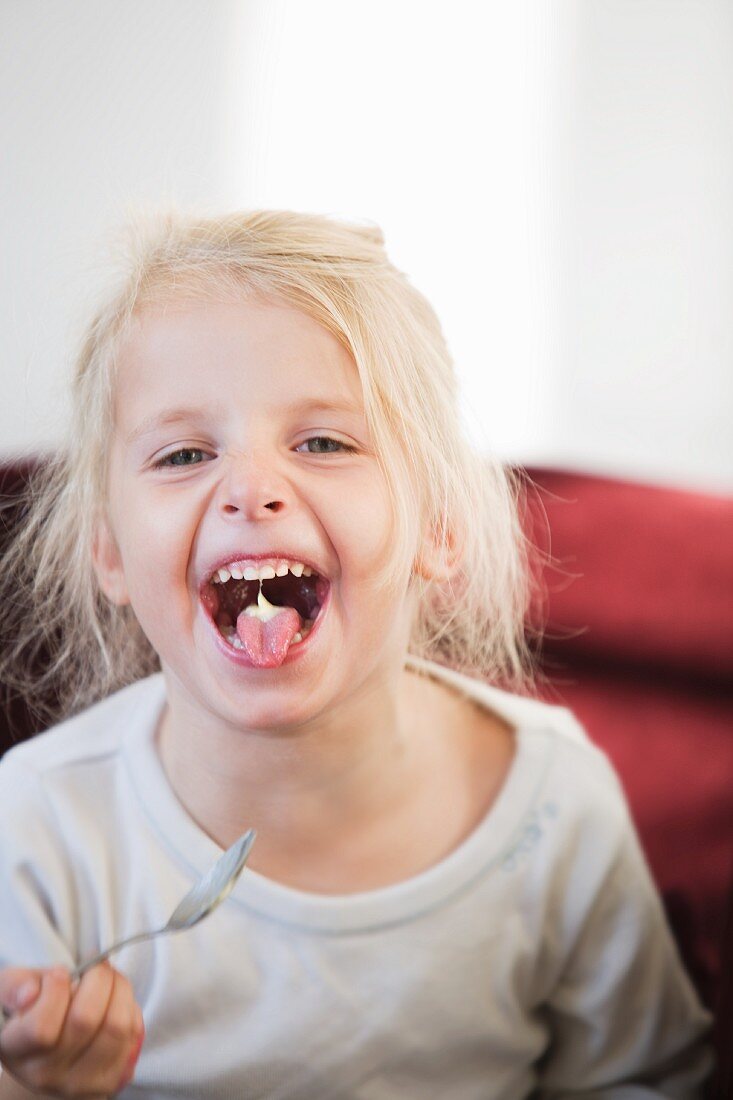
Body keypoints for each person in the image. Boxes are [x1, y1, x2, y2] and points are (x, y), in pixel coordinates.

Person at [0, 209, 712, 1099]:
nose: (251, 489)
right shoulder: (41, 821)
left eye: (324, 442)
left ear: (441, 526)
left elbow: (647, 1079)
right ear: (108, 550)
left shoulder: (553, 804)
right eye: (183, 453)